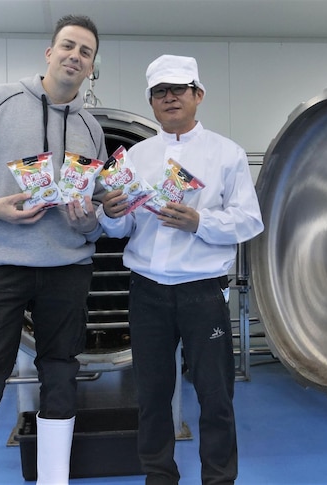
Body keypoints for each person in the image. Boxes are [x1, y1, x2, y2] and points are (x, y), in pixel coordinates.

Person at [0, 14, 106, 485]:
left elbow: (95, 203)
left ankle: (55, 478)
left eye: (85, 51)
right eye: (68, 46)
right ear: (49, 53)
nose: (75, 56)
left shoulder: (92, 129)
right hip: (0, 264)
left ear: (92, 67)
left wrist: (89, 222)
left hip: (67, 267)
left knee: (61, 372)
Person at [98, 55, 264, 485]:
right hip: (147, 290)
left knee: (215, 394)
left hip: (203, 291)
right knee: (152, 394)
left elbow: (250, 220)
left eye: (178, 90)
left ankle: (219, 478)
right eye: (160, 92)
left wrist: (200, 223)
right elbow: (122, 226)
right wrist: (112, 213)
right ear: (151, 101)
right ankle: (159, 476)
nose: (169, 98)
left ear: (198, 95)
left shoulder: (227, 154)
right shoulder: (136, 156)